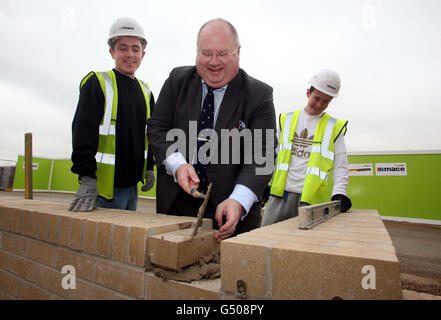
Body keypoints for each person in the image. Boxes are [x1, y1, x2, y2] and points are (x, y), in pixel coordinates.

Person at [147, 18, 277, 242]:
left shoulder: (259, 95)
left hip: (231, 214)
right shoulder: (176, 81)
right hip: (177, 207)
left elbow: (262, 155)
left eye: (223, 53)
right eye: (206, 53)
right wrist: (177, 165)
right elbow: (157, 128)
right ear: (197, 52)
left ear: (238, 52)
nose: (214, 62)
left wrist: (238, 200)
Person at [69, 17, 155, 212]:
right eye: (123, 48)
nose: (130, 54)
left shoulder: (146, 91)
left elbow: (150, 134)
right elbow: (82, 131)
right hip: (102, 190)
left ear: (143, 54)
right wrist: (87, 178)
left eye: (135, 49)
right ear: (112, 52)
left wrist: (150, 166)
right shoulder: (98, 83)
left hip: (133, 187)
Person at [261, 69, 352, 226]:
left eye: (326, 101)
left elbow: (341, 165)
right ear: (308, 93)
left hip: (311, 199)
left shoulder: (334, 127)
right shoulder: (287, 120)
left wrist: (339, 192)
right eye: (317, 98)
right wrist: (263, 183)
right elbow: (273, 155)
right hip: (280, 194)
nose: (319, 105)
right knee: (266, 237)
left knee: (302, 246)